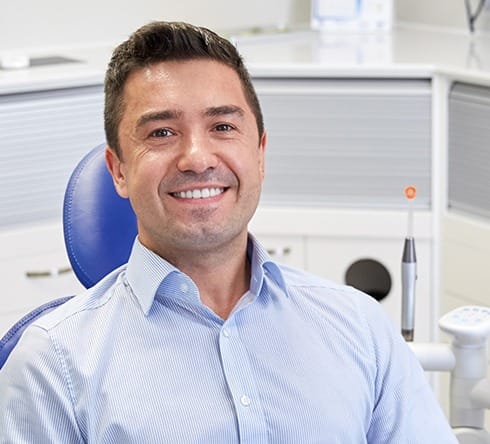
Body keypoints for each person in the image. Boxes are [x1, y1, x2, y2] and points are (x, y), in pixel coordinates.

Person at [0, 21, 457, 443]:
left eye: (222, 126)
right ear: (118, 170)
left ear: (259, 154)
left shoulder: (360, 328)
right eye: (161, 133)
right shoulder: (52, 366)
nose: (197, 158)